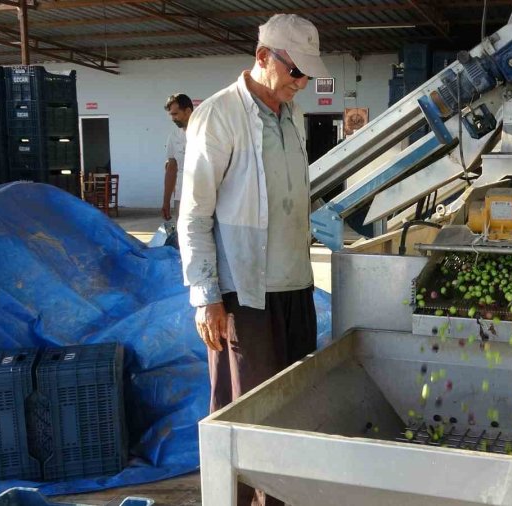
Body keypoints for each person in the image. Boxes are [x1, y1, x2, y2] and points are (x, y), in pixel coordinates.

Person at [177, 13, 329, 506]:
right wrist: (206, 298)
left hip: (295, 289)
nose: (301, 83)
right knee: (244, 417)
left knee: (292, 412)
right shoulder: (219, 116)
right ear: (263, 57)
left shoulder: (292, 119)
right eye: (294, 71)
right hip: (244, 296)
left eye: (306, 74)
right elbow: (195, 216)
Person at [161, 93, 193, 221]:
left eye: (175, 114)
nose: (173, 119)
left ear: (188, 111)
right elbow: (171, 169)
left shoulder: (205, 133)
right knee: (183, 236)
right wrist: (166, 201)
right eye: (171, 115)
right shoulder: (174, 136)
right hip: (181, 196)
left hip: (204, 198)